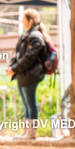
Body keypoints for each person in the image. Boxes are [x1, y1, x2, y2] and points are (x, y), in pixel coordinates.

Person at [6, 8, 50, 139]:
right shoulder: (26, 36)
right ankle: (26, 131)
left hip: (31, 75)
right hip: (23, 74)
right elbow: (19, 55)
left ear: (30, 21)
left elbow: (28, 58)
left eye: (23, 20)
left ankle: (32, 132)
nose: (22, 22)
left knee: (30, 104)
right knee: (27, 104)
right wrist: (12, 67)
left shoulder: (35, 37)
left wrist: (14, 69)